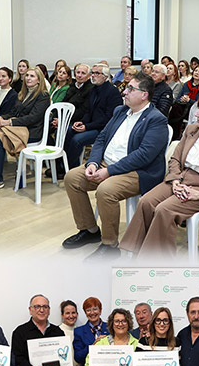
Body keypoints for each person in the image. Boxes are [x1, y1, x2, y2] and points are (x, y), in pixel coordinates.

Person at [63, 71, 170, 257]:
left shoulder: (156, 119)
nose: (125, 92)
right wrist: (94, 162)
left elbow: (144, 155)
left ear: (144, 94)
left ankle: (110, 244)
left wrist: (109, 171)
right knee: (72, 177)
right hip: (106, 164)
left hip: (137, 172)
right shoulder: (120, 111)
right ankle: (89, 231)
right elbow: (102, 138)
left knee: (106, 190)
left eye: (130, 88)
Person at [120, 94, 199, 256]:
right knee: (146, 202)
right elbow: (175, 159)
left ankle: (157, 262)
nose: (196, 114)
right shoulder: (192, 131)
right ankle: (134, 252)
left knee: (164, 210)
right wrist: (175, 181)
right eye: (198, 110)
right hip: (181, 178)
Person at [0, 65, 50, 193]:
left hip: (32, 131)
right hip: (19, 129)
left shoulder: (42, 95)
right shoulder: (24, 94)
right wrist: (1, 118)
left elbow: (33, 118)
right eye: (27, 75)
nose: (28, 78)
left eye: (32, 76)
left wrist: (9, 122)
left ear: (39, 80)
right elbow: (13, 111)